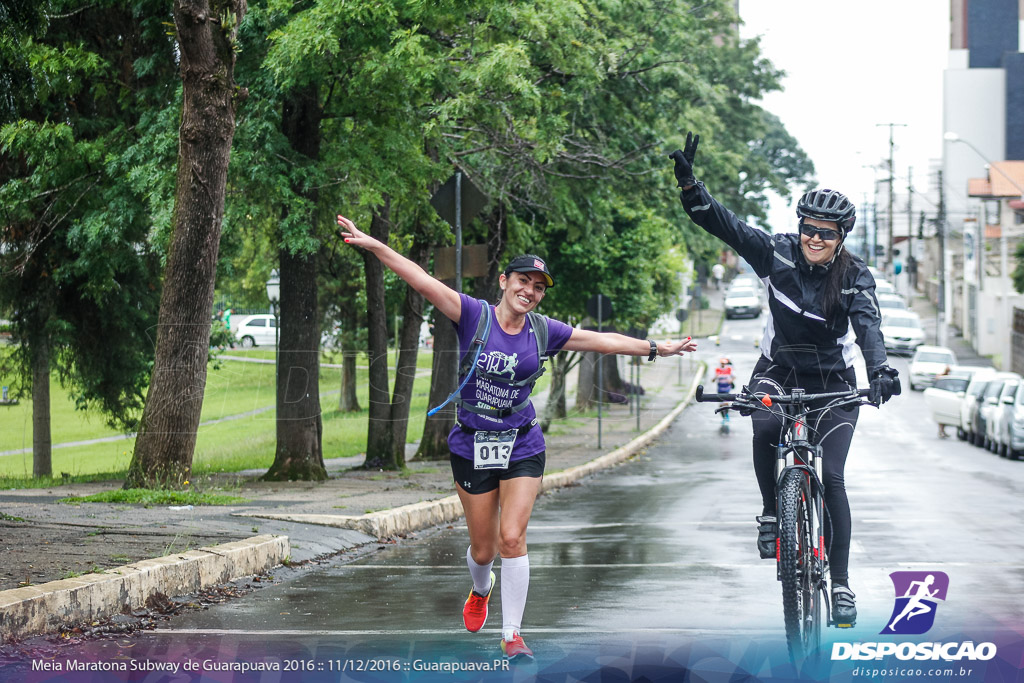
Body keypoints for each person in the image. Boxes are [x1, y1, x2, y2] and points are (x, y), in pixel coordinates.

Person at [337, 214, 698, 660]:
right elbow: (421, 279)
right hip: (471, 443)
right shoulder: (472, 315)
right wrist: (375, 245)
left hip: (522, 442)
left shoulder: (544, 331)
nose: (530, 290)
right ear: (505, 282)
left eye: (539, 286)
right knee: (484, 550)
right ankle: (480, 588)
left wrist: (657, 348)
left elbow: (602, 341)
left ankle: (512, 635)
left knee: (512, 538)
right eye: (523, 281)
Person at [669, 133, 900, 627]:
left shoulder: (856, 276)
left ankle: (840, 584)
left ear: (842, 238)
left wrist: (879, 370)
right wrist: (692, 187)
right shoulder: (775, 254)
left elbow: (869, 327)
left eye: (827, 233)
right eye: (809, 228)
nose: (815, 238)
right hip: (778, 369)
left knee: (833, 477)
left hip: (834, 382)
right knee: (764, 426)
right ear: (801, 228)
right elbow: (724, 224)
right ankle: (773, 513)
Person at [714, 357, 735, 422]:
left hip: (727, 388)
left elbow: (734, 377)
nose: (723, 364)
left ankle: (726, 416)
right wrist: (716, 377)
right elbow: (712, 380)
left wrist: (730, 380)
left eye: (724, 363)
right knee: (720, 404)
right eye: (722, 363)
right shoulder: (717, 370)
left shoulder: (729, 369)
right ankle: (723, 417)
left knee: (725, 403)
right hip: (720, 388)